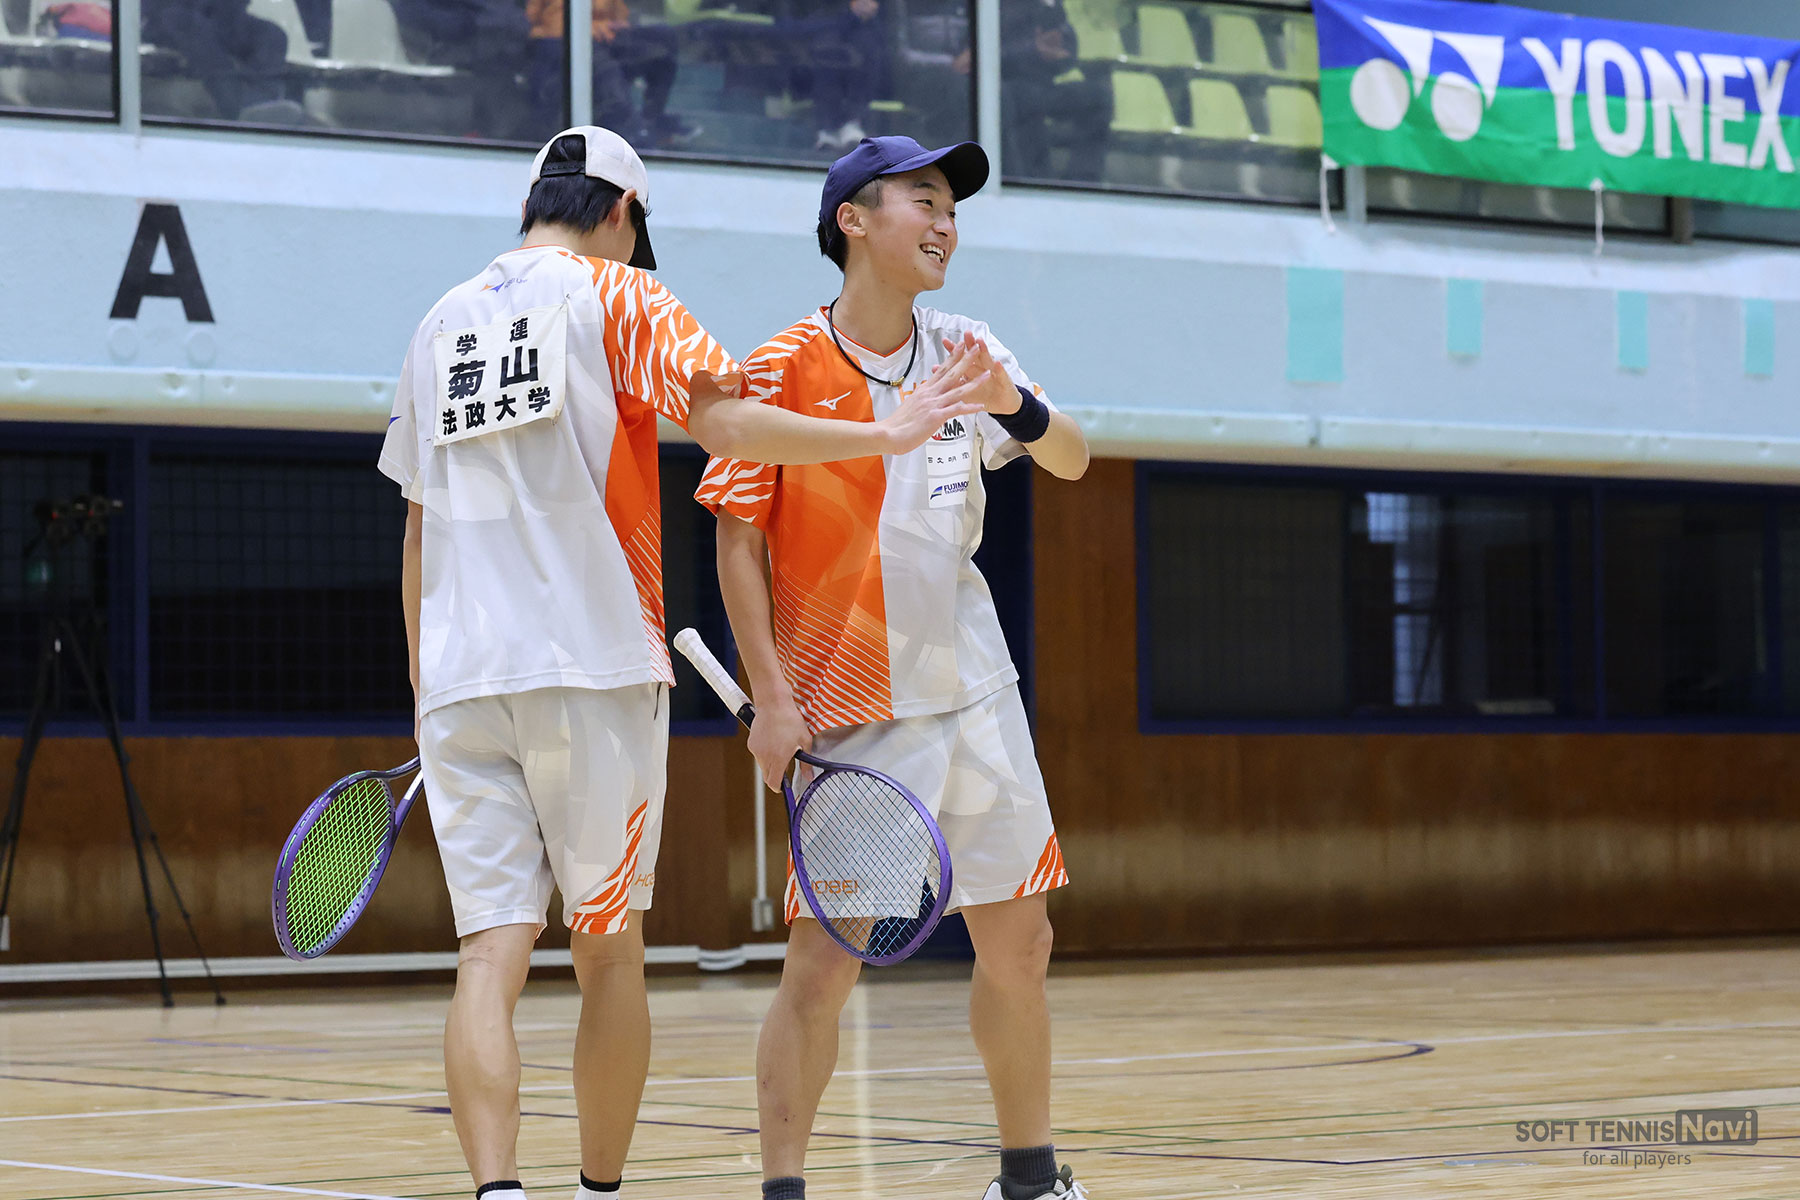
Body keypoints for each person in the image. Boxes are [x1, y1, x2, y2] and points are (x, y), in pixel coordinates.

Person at [377, 125, 987, 1200]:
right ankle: (598, 1192)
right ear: (622, 213)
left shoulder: (437, 323)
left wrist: (428, 688)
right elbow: (729, 423)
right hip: (595, 668)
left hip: (463, 683)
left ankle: (497, 1192)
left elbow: (418, 528)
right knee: (608, 949)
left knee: (488, 954)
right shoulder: (621, 295)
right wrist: (882, 438)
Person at [694, 135, 1091, 1200]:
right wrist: (772, 699)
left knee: (1022, 942)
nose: (946, 223)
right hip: (855, 706)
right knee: (824, 966)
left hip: (976, 690)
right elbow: (737, 541)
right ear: (854, 221)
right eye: (924, 200)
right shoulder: (780, 367)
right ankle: (784, 1187)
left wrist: (1014, 402)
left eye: (952, 207)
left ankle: (1030, 1177)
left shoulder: (966, 347)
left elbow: (1073, 457)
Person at [527, 0, 697, 148]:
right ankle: (631, 131)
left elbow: (619, 12)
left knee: (663, 40)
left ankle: (652, 119)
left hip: (607, 37)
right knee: (607, 69)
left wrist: (618, 23)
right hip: (561, 41)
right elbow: (533, 17)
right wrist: (586, 27)